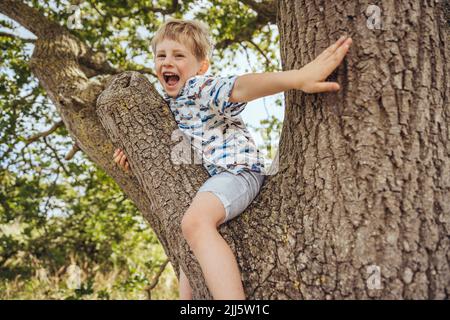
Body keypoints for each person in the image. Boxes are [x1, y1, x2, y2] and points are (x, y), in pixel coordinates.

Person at [113, 18, 352, 300]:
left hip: (238, 173)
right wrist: (133, 156)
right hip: (216, 181)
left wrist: (296, 78)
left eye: (179, 55)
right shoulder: (169, 106)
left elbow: (239, 87)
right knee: (188, 248)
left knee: (195, 223)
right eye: (161, 55)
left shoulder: (198, 88)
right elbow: (161, 145)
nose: (167, 61)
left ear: (201, 67)